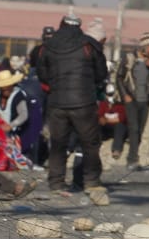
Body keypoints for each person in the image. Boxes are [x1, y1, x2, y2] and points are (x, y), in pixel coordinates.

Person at [36, 12, 108, 192]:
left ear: (61, 25)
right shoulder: (89, 45)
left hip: (57, 103)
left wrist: (55, 84)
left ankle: (56, 182)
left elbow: (42, 74)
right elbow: (101, 74)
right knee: (89, 144)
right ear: (78, 26)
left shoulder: (47, 45)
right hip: (84, 103)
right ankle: (91, 181)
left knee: (58, 143)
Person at [114, 32, 149, 167]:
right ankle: (132, 159)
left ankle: (132, 152)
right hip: (131, 99)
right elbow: (119, 77)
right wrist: (125, 94)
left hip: (145, 101)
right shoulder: (129, 58)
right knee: (134, 128)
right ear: (142, 46)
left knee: (140, 130)